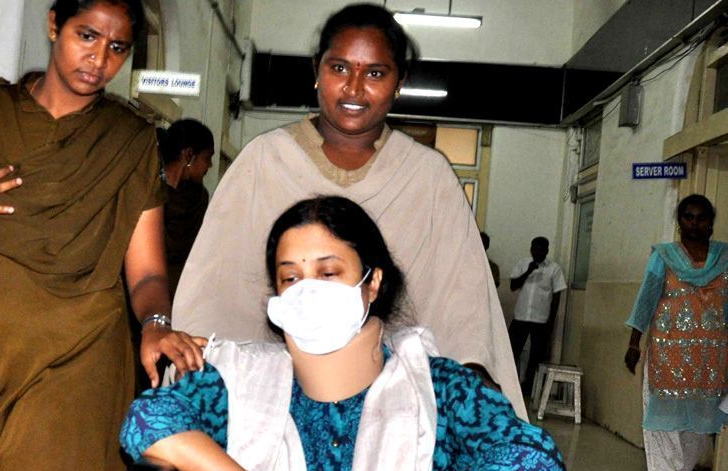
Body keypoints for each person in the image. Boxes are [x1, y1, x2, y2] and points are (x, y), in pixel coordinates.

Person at [121, 196, 566, 471]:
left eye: (329, 273)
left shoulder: (435, 388)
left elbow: (533, 458)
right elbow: (147, 424)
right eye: (290, 278)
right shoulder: (239, 380)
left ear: (373, 283)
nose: (307, 291)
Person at [173, 3, 527, 418]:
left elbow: (463, 306)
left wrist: (471, 383)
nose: (354, 88)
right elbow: (214, 293)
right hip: (271, 402)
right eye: (339, 68)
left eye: (375, 73)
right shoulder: (263, 162)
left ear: (399, 82)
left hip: (394, 408)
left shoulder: (429, 178)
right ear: (316, 70)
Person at [0, 1, 204, 471]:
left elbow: (146, 268)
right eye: (86, 36)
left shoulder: (129, 141)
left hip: (74, 362)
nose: (99, 59)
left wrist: (155, 322)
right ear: (54, 24)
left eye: (117, 48)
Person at [625, 194, 728, 471]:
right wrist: (633, 343)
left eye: (701, 217)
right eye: (688, 217)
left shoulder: (725, 258)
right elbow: (646, 298)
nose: (694, 223)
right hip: (666, 355)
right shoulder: (664, 256)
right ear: (679, 221)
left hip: (710, 358)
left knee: (700, 420)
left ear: (711, 223)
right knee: (659, 420)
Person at [158, 118, 215, 296]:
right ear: (189, 155)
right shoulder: (149, 195)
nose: (210, 165)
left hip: (183, 294)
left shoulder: (198, 199)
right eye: (207, 157)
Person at [508, 236, 567, 393]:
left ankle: (529, 388)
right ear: (531, 249)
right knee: (511, 351)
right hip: (520, 316)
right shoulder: (522, 264)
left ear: (547, 251)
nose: (537, 252)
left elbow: (556, 297)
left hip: (540, 320)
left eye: (541, 250)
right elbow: (513, 286)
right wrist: (528, 271)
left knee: (537, 356)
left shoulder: (554, 269)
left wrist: (551, 322)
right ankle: (508, 384)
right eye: (535, 249)